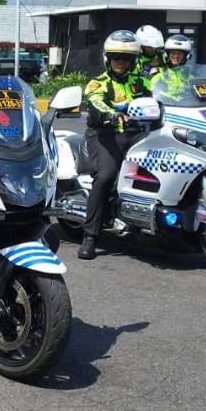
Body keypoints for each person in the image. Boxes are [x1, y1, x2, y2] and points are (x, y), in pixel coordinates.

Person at [77, 29, 150, 260]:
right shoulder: (98, 83)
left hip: (138, 135)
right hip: (105, 135)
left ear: (133, 60)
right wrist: (113, 114)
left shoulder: (143, 82)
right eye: (116, 57)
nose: (120, 62)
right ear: (107, 58)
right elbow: (95, 102)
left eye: (126, 57)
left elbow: (163, 99)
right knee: (106, 176)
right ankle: (90, 236)